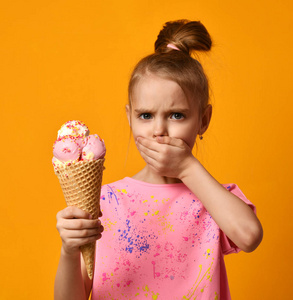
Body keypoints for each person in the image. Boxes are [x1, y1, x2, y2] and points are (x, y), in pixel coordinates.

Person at [54, 19, 263, 300]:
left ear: (203, 120)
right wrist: (69, 250)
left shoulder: (214, 200)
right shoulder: (104, 201)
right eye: (146, 115)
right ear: (129, 118)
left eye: (177, 115)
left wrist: (187, 167)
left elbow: (249, 237)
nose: (159, 130)